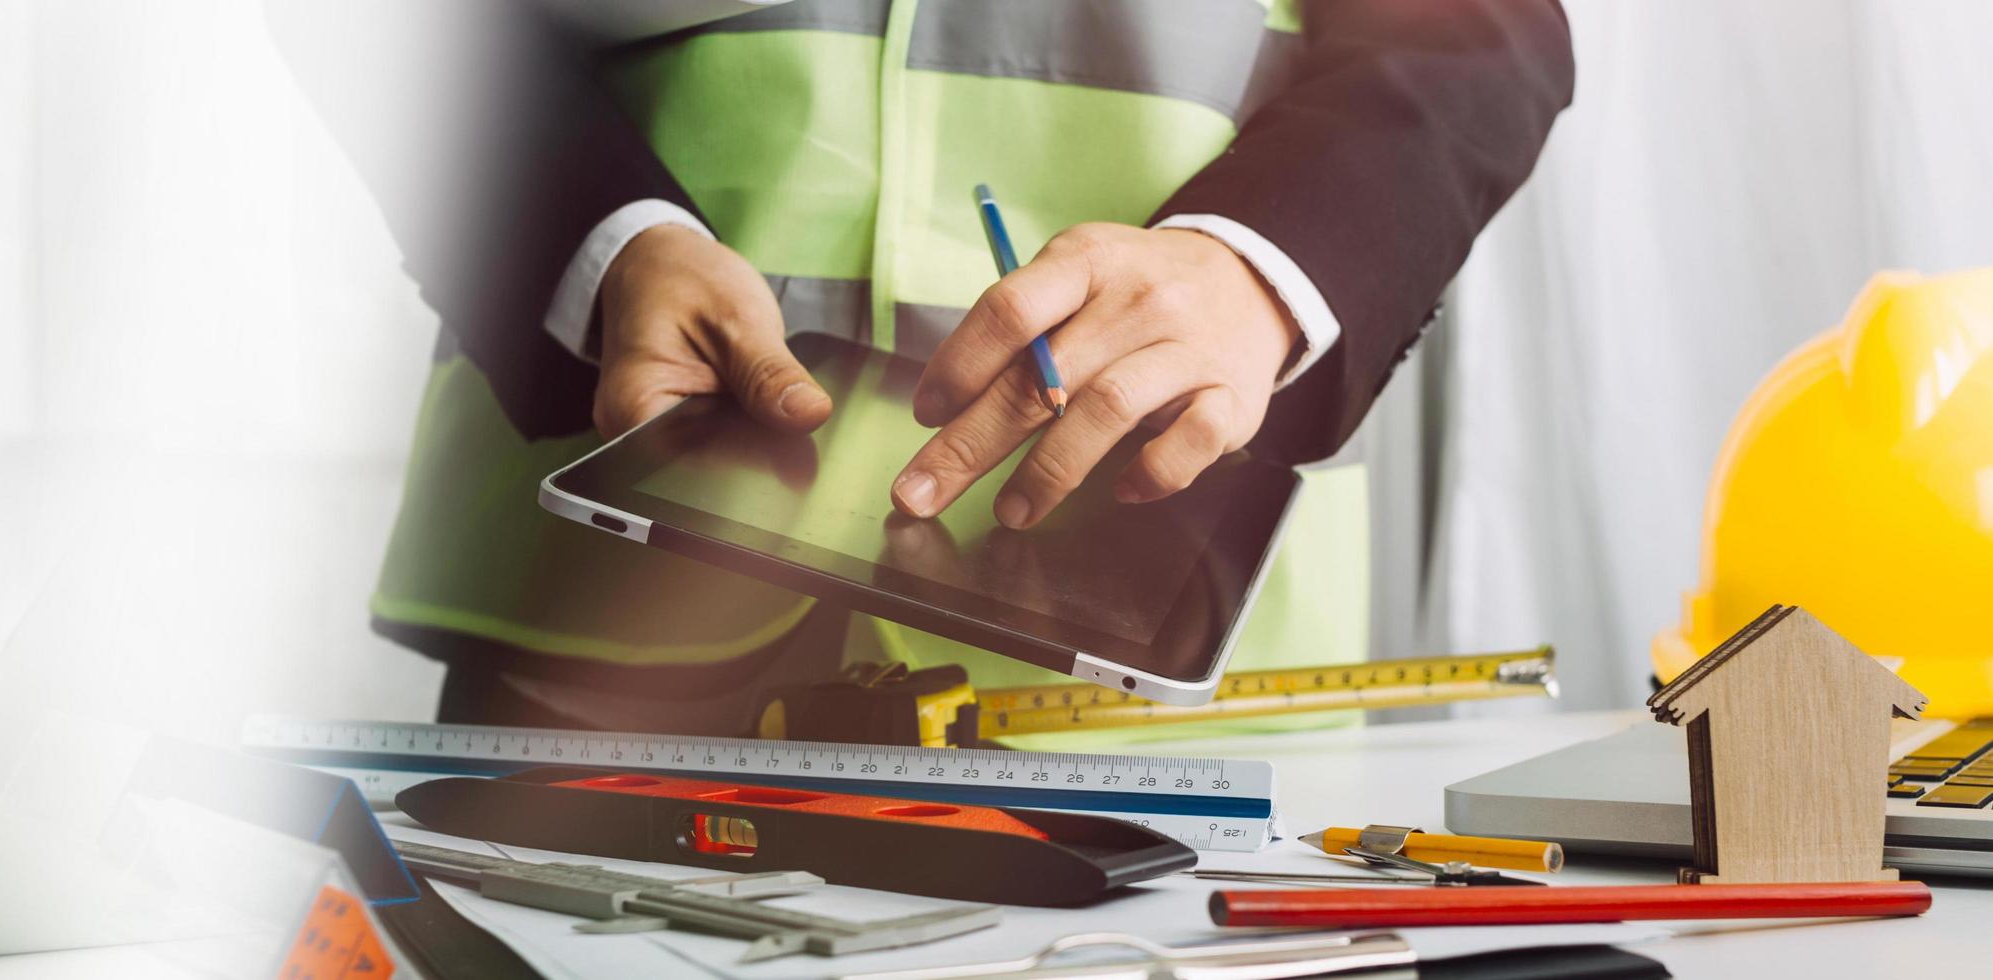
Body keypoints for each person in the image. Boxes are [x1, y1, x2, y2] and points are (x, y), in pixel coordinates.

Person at [277, 0, 1572, 743]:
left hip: (1149, 630)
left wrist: (1263, 266)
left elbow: (1479, 30)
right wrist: (597, 242)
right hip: (598, 597)